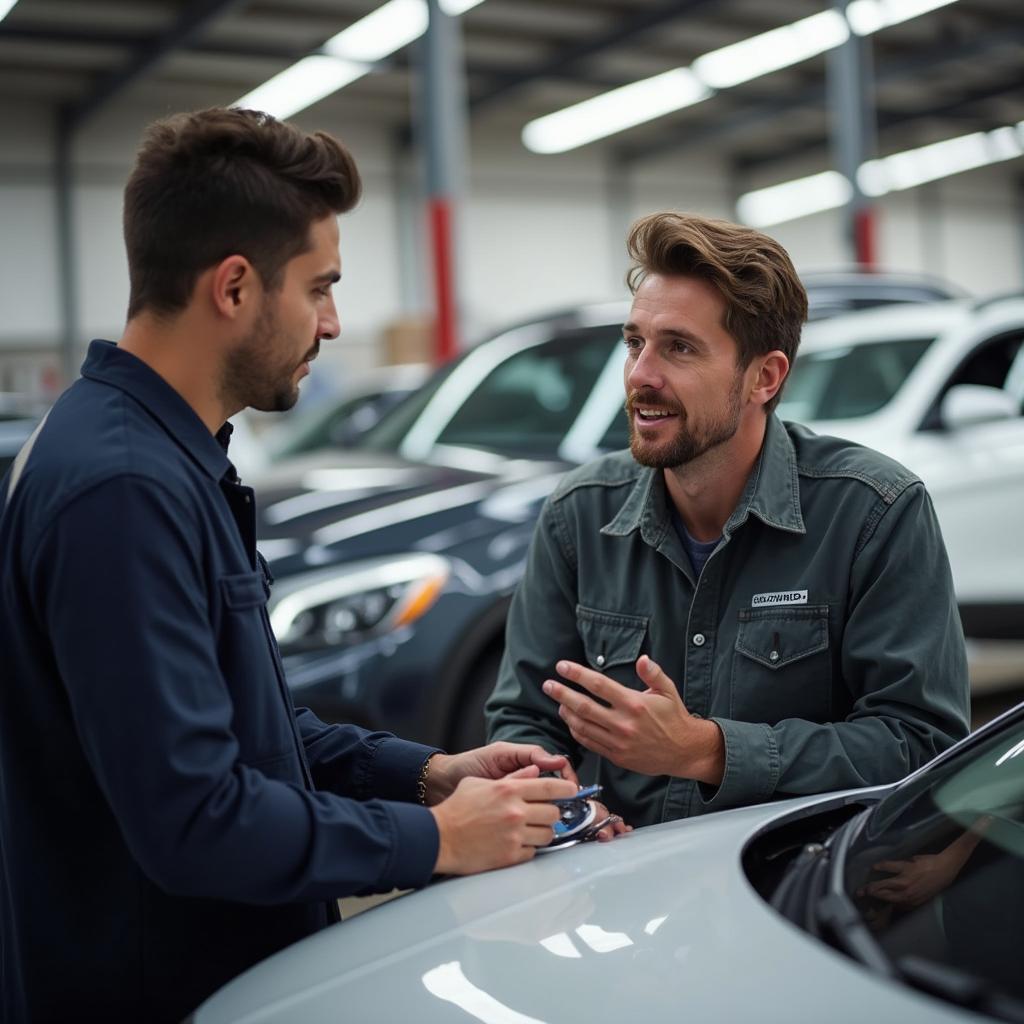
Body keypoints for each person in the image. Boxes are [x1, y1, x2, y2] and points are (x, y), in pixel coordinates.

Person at [0, 107, 576, 1024]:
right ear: (234, 287)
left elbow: (243, 727)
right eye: (321, 287)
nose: (336, 322)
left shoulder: (165, 454)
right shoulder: (121, 489)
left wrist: (428, 775)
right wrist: (434, 841)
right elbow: (196, 819)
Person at [486, 211, 970, 830]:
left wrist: (707, 751)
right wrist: (567, 806)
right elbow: (525, 720)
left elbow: (920, 744)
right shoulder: (578, 515)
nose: (639, 376)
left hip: (798, 882)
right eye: (635, 342)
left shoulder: (873, 512)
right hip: (624, 888)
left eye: (679, 347)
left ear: (764, 377)